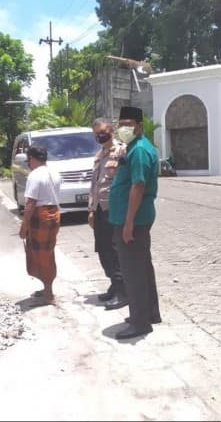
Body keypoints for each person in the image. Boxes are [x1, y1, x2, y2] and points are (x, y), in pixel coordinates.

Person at [109, 106, 162, 340]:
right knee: (142, 267)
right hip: (134, 218)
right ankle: (149, 313)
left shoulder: (139, 150)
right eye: (121, 124)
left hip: (133, 220)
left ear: (139, 126)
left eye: (128, 124)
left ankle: (140, 323)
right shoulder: (134, 147)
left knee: (133, 272)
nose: (123, 128)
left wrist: (128, 223)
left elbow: (138, 186)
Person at [88, 117, 127, 311]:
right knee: (103, 250)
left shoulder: (121, 151)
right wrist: (91, 210)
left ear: (110, 129)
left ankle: (122, 291)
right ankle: (114, 283)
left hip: (114, 210)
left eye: (102, 132)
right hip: (99, 211)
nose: (99, 136)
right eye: (96, 134)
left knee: (115, 250)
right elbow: (94, 185)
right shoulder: (99, 154)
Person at [19, 144, 62, 305]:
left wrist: (24, 227)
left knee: (40, 254)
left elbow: (30, 204)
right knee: (48, 251)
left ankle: (48, 293)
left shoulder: (35, 175)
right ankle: (47, 287)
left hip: (41, 215)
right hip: (54, 214)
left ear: (31, 159)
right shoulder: (54, 173)